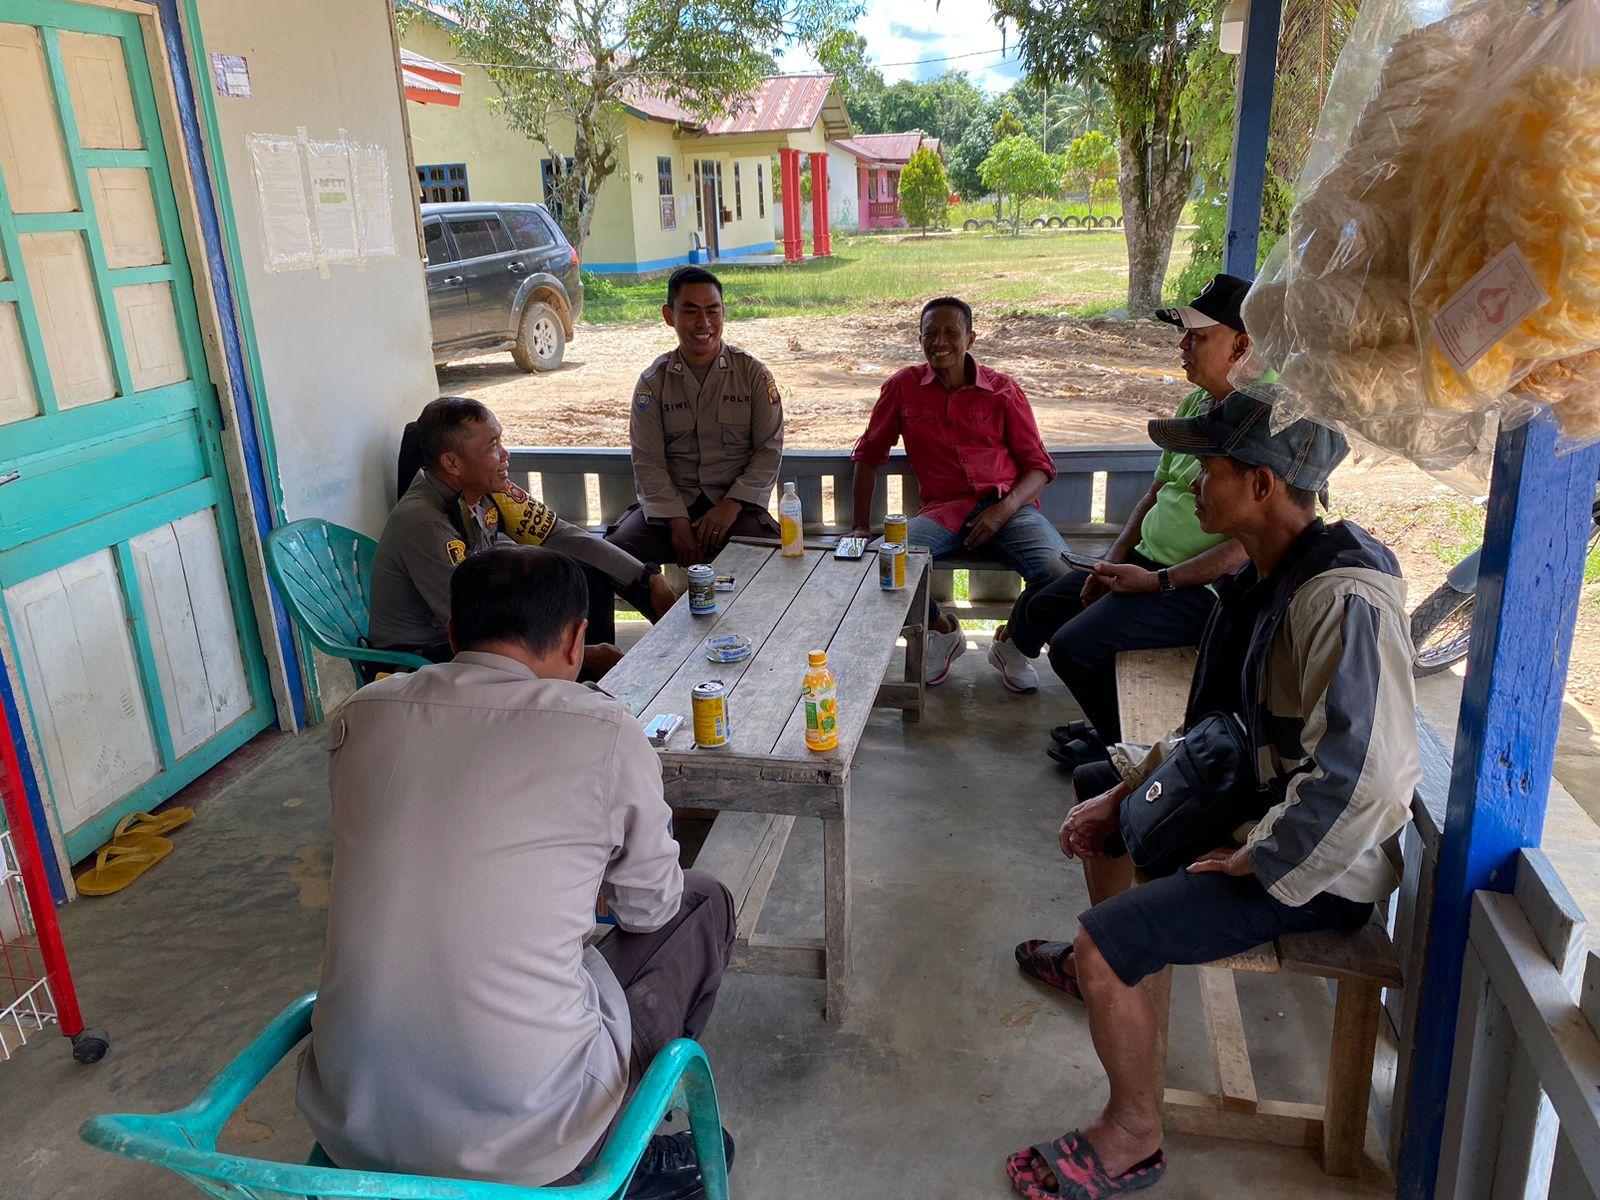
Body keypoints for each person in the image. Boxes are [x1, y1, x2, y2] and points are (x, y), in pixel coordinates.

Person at [1006, 395, 1419, 1199]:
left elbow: (1373, 776)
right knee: (1099, 795)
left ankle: (1133, 1132)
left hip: (1316, 867)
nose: (1192, 486)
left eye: (1211, 470)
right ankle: (1114, 956)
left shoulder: (1342, 599)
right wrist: (1129, 786)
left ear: (1262, 484)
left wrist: (1261, 857)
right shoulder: (1271, 572)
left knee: (1105, 947)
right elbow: (1231, 729)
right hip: (1262, 807)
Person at [299, 547, 737, 1197]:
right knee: (702, 902)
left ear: (452, 636)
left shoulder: (364, 715)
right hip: (529, 1137)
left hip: (352, 1119)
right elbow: (648, 908)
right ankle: (621, 1145)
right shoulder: (604, 730)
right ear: (575, 642)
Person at [989, 275, 1253, 769]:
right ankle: (1113, 731)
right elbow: (1155, 492)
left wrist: (1156, 582)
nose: (1183, 345)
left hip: (1204, 590)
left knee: (1073, 648)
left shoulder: (1262, 421)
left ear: (1242, 344)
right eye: (1185, 335)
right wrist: (1111, 564)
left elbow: (1244, 547)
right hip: (1147, 566)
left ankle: (1135, 756)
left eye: (1197, 337)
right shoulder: (1198, 404)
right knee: (1049, 606)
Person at [849, 296, 1069, 685]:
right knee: (885, 564)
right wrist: (858, 527)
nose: (940, 342)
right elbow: (869, 455)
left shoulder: (1003, 390)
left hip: (1009, 508)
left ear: (971, 337)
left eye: (951, 332)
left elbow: (1039, 467)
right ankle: (942, 631)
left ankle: (1013, 641)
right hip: (943, 513)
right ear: (919, 340)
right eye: (930, 334)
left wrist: (1004, 510)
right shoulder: (904, 386)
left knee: (1059, 570)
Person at [370, 396, 676, 675]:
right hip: (428, 658)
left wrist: (647, 577)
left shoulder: (489, 491)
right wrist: (580, 654)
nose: (506, 454)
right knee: (573, 652)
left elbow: (561, 535)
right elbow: (472, 630)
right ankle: (580, 686)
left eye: (500, 440)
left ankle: (590, 682)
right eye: (492, 446)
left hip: (481, 622)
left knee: (584, 573)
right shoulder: (425, 524)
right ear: (451, 462)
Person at [607, 266, 784, 567]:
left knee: (780, 560)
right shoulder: (654, 382)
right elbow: (648, 461)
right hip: (672, 510)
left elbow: (769, 450)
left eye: (713, 311)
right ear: (669, 315)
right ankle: (663, 611)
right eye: (690, 311)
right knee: (610, 557)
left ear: (723, 313)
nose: (704, 323)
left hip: (735, 509)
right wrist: (676, 520)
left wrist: (731, 504)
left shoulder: (752, 374)